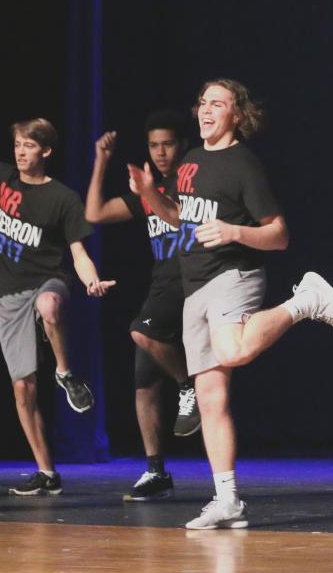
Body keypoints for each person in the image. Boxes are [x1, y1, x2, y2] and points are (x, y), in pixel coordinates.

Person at [129, 77, 333, 531]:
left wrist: (234, 232)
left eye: (219, 103)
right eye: (202, 102)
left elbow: (279, 233)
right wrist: (147, 192)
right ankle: (227, 500)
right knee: (212, 399)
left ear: (237, 115)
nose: (207, 109)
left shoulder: (243, 165)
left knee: (233, 350)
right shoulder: (191, 161)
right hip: (193, 285)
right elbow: (178, 216)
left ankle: (305, 301)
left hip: (233, 275)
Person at [0, 79, 112, 497]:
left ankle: (66, 374)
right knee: (22, 388)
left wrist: (90, 278)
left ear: (46, 152)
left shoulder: (63, 198)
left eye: (28, 145)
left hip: (47, 280)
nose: (19, 151)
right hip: (8, 293)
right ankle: (47, 472)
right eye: (17, 144)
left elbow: (77, 251)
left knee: (50, 307)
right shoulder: (1, 179)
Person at [84, 110, 201, 503]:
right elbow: (94, 214)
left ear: (182, 144)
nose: (161, 152)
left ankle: (188, 385)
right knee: (144, 384)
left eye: (168, 143)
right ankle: (155, 473)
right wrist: (101, 161)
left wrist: (149, 191)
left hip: (189, 282)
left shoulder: (190, 182)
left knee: (141, 330)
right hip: (160, 284)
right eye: (154, 145)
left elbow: (184, 218)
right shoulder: (149, 186)